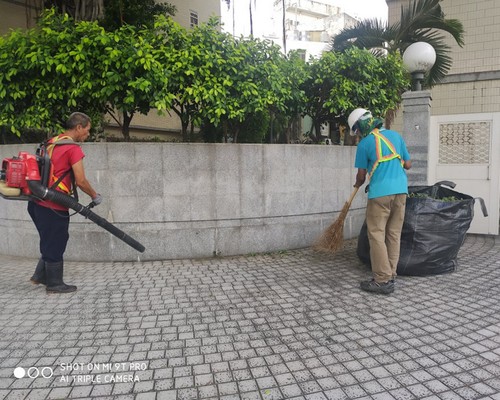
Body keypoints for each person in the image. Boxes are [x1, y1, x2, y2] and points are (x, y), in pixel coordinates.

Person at [28, 112, 102, 294]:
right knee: (56, 241)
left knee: (49, 240)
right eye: (87, 130)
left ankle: (39, 276)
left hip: (36, 202)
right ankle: (54, 284)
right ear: (78, 127)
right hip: (53, 206)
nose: (88, 134)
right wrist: (95, 196)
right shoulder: (72, 148)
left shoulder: (51, 142)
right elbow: (81, 180)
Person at [349, 108, 411, 295]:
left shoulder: (364, 144)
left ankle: (382, 280)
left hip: (380, 194)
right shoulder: (395, 136)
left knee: (376, 234)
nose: (357, 134)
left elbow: (361, 176)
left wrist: (358, 182)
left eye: (356, 130)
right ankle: (391, 274)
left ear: (360, 126)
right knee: (393, 234)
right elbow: (408, 164)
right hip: (401, 191)